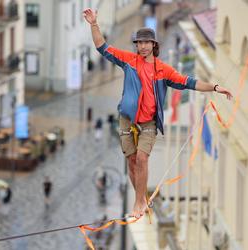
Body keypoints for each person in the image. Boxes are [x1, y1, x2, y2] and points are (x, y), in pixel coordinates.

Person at [83, 8, 233, 219]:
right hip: (127, 120)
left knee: (142, 159)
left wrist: (216, 87)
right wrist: (94, 24)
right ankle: (142, 199)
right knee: (132, 162)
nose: (142, 46)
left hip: (148, 124)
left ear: (154, 44)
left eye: (146, 42)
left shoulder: (163, 70)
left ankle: (138, 203)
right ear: (136, 45)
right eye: (139, 42)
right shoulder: (129, 61)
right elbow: (102, 47)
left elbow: (190, 82)